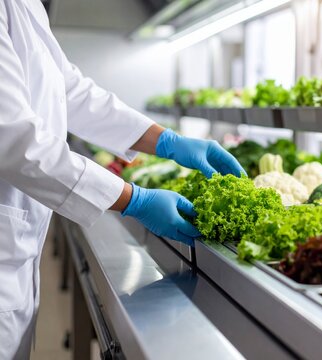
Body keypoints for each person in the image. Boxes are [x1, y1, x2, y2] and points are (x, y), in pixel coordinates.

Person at [0, 0, 245, 358]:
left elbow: (71, 92)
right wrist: (133, 199)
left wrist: (165, 140)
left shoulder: (26, 6)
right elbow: (16, 139)